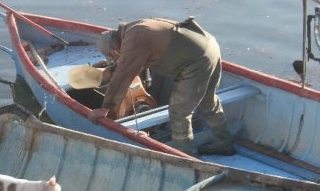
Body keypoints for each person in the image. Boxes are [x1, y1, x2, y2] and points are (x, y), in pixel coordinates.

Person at [87, 17, 235, 156]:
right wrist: (112, 70)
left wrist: (105, 107)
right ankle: (224, 143)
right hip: (209, 46)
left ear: (115, 49)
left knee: (179, 112)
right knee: (208, 100)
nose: (114, 58)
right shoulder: (134, 28)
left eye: (112, 56)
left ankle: (185, 157)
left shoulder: (134, 41)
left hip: (196, 61)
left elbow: (123, 76)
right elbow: (133, 63)